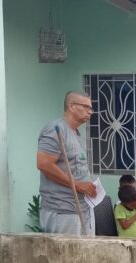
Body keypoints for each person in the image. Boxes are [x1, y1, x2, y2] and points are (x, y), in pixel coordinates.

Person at [36, 91, 97, 235]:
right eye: (86, 107)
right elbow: (44, 164)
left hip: (82, 208)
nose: (90, 112)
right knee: (68, 257)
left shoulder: (76, 133)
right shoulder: (55, 129)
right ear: (72, 106)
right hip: (63, 211)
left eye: (91, 108)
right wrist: (77, 185)